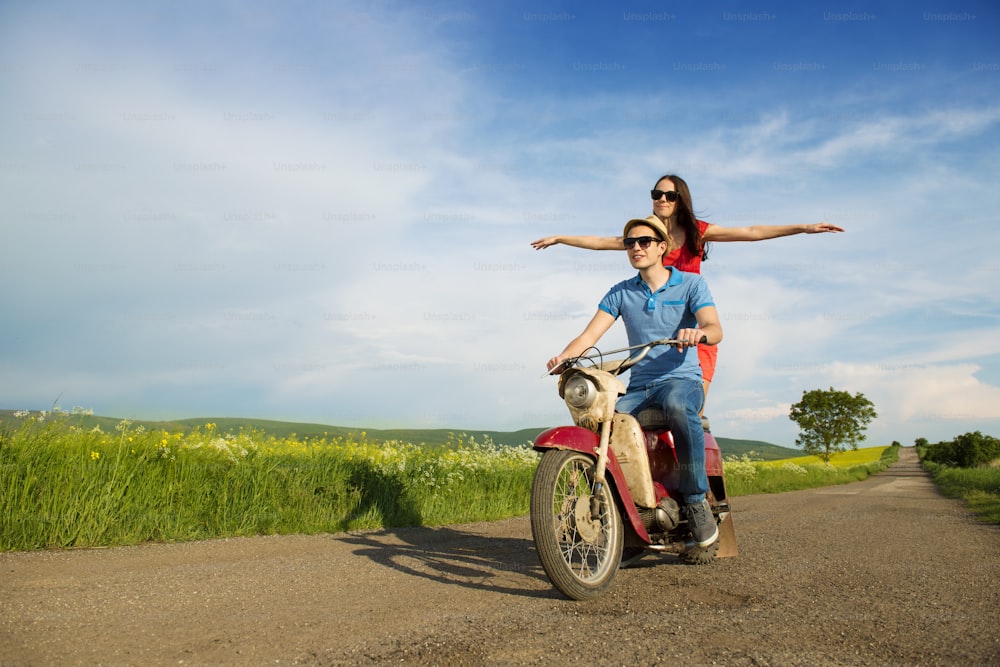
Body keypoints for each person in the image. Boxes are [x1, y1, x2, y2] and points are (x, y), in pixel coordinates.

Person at [533, 174, 844, 407]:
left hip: (695, 333)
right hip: (658, 336)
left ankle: (696, 487)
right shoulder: (644, 236)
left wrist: (802, 228)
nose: (663, 199)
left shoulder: (698, 231)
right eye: (657, 194)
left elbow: (751, 232)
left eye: (670, 195)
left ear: (681, 199)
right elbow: (602, 242)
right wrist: (561, 237)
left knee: (686, 411)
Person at [546, 215, 723, 548]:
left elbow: (715, 328)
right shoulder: (622, 292)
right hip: (639, 387)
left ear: (661, 247)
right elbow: (589, 335)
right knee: (598, 421)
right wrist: (564, 357)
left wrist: (698, 333)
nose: (636, 248)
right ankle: (625, 515)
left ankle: (696, 500)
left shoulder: (690, 285)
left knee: (676, 404)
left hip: (680, 380)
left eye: (644, 242)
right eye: (630, 243)